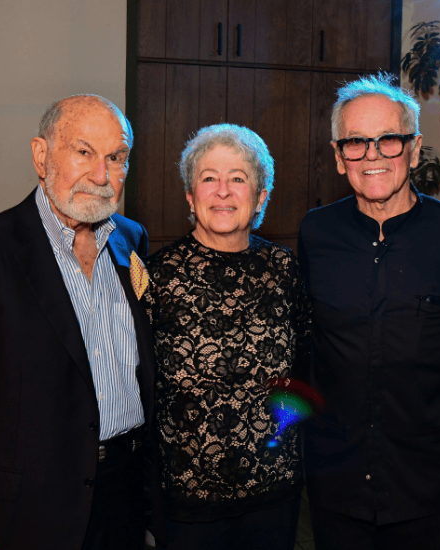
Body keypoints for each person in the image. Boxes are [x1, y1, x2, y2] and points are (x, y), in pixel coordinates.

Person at [0, 94, 156, 550]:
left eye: (116, 157)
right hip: (27, 512)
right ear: (41, 155)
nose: (102, 176)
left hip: (126, 500)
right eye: (83, 152)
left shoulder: (131, 240)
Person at [297, 73, 440, 550]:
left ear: (414, 149)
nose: (372, 155)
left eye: (388, 140)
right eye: (356, 143)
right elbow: (303, 346)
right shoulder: (315, 234)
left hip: (429, 486)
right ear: (339, 157)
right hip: (336, 485)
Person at [142, 123, 310, 550]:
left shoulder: (285, 269)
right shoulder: (156, 276)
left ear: (260, 197)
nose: (223, 191)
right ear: (189, 195)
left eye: (238, 179)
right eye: (209, 178)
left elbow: (307, 366)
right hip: (189, 502)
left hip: (274, 494)